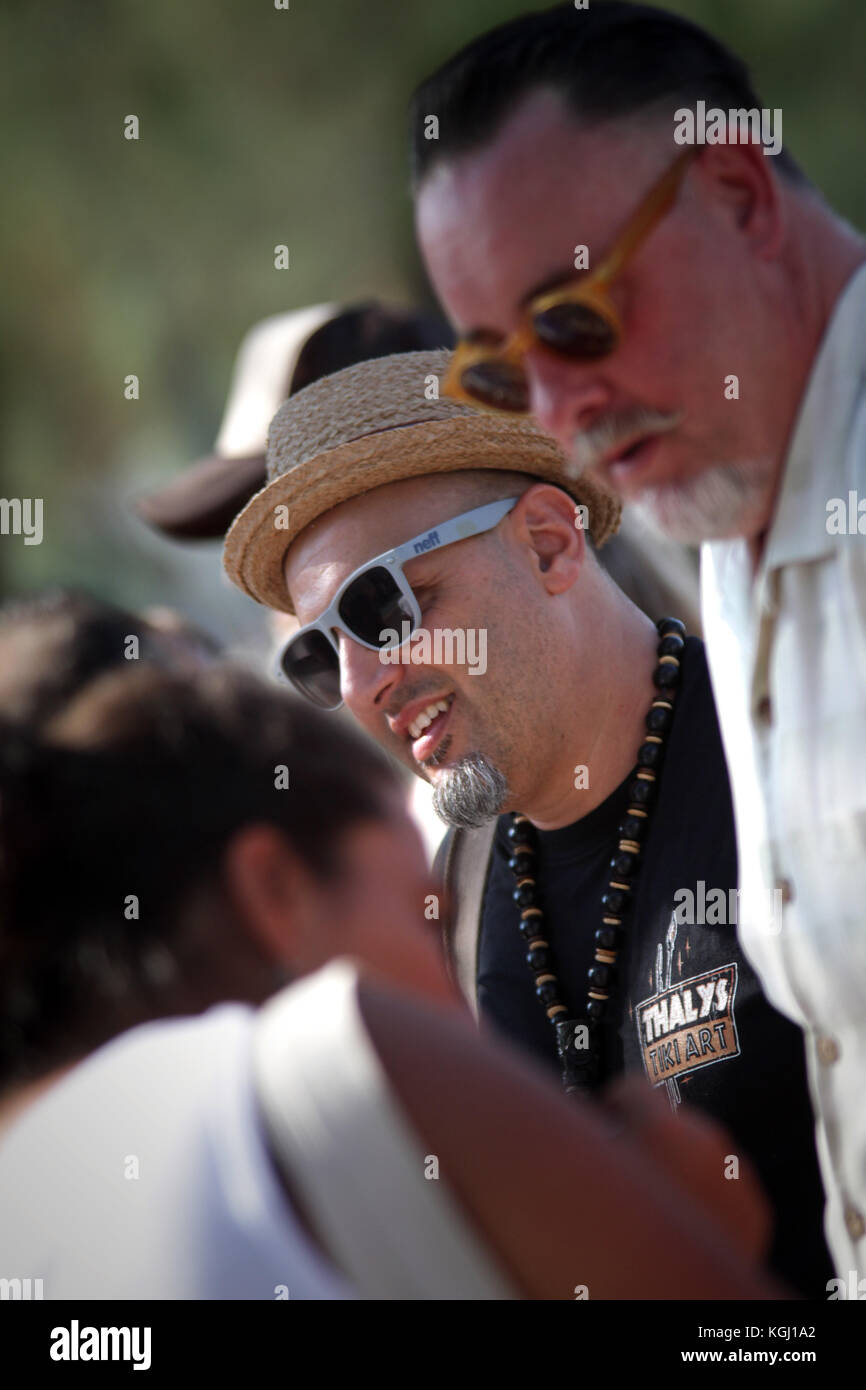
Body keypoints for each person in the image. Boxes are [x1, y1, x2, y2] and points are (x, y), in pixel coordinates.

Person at [407, 1, 866, 1282]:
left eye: (572, 316)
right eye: (501, 371)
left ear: (736, 193)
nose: (556, 410)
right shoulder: (731, 524)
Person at [222, 348, 831, 1296]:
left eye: (379, 606)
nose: (358, 684)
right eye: (316, 652)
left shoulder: (796, 756)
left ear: (548, 543)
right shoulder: (453, 897)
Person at [0, 660, 776, 1300]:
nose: (459, 992)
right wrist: (703, 1237)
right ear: (277, 890)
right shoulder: (332, 1058)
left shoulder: (29, 1195)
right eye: (422, 913)